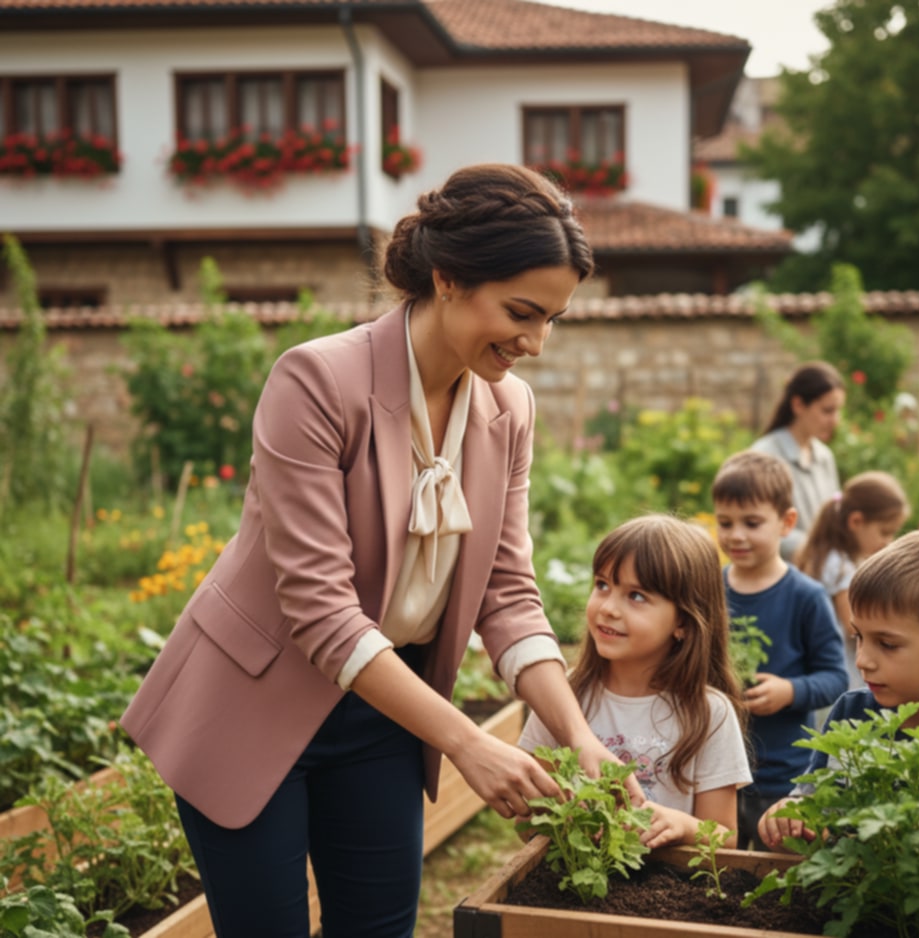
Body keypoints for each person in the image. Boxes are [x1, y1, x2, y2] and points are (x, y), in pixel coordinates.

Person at [119, 163, 642, 938]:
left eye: (553, 319)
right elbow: (321, 611)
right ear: (449, 280)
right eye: (522, 312)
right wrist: (469, 742)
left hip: (386, 712)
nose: (536, 342)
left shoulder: (508, 409)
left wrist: (580, 737)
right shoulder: (317, 381)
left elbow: (507, 590)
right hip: (252, 699)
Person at [758, 528, 919, 850]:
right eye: (859, 637)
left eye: (886, 644)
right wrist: (790, 816)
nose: (862, 661)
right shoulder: (851, 713)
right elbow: (810, 805)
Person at [517, 514, 752, 848]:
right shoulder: (562, 694)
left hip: (666, 891)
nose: (608, 608)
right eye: (602, 585)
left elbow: (725, 839)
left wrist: (683, 826)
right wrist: (560, 816)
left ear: (683, 621)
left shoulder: (710, 713)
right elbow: (526, 822)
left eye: (636, 595)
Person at [711, 450, 848, 850]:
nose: (736, 535)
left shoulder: (807, 596)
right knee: (715, 874)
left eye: (752, 523)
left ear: (787, 522)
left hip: (784, 777)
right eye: (725, 522)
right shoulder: (711, 590)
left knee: (777, 882)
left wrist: (790, 692)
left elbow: (836, 677)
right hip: (719, 775)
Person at [795, 471, 910, 688]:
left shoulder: (826, 555)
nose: (888, 542)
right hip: (842, 669)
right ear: (856, 521)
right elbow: (854, 624)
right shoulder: (841, 568)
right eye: (884, 532)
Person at [751, 362, 846, 561]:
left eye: (838, 411)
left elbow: (834, 519)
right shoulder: (764, 456)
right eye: (827, 411)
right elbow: (755, 524)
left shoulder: (824, 456)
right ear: (798, 405)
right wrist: (815, 551)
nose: (835, 421)